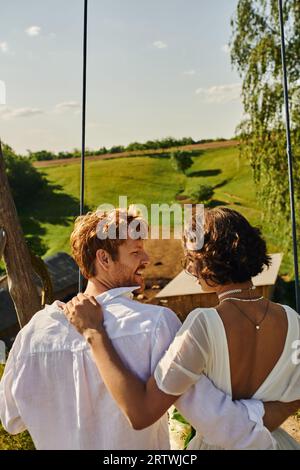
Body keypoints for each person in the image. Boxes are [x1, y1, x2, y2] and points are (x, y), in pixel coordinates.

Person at [64, 207, 300, 450]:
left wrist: (95, 332)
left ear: (208, 258)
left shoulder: (204, 324)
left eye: (190, 259)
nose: (190, 270)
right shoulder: (293, 320)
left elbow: (141, 413)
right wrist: (262, 415)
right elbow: (293, 399)